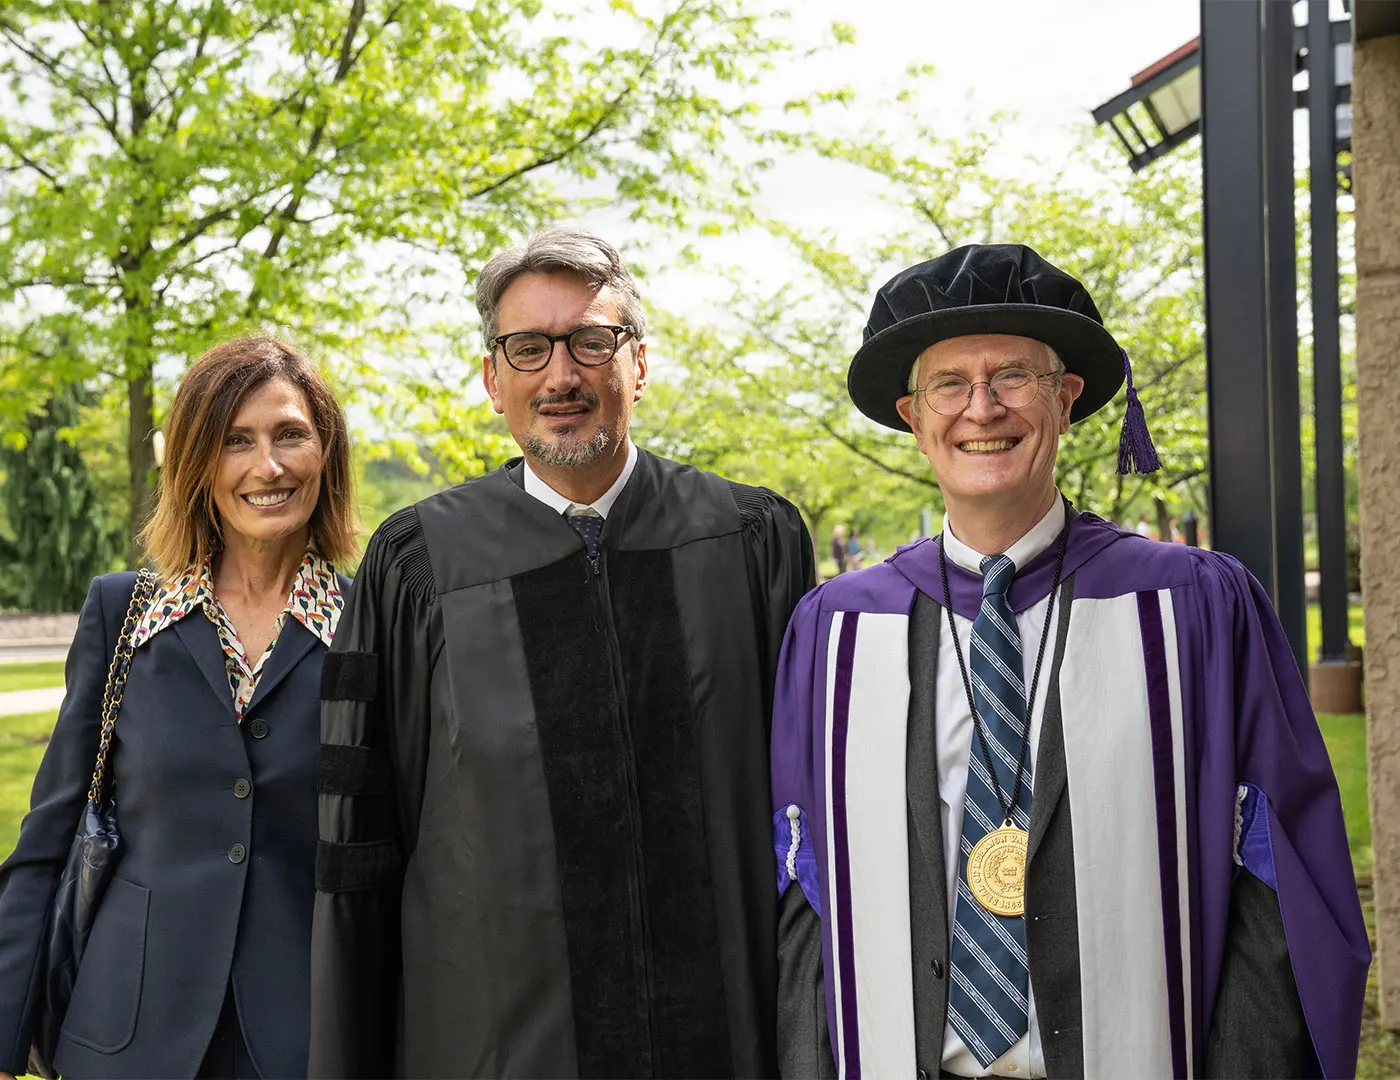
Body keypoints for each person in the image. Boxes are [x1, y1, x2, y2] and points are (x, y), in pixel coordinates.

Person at [770, 244, 1368, 1079]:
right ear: (913, 415)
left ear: (1067, 398)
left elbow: (1277, 878)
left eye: (1013, 375)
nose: (982, 408)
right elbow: (802, 896)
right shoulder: (837, 631)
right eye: (950, 383)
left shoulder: (1193, 607)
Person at [310, 226, 815, 1078]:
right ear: (492, 379)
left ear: (639, 365)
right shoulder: (419, 566)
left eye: (591, 341)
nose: (562, 374)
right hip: (494, 1047)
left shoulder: (749, 540)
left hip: (729, 1040)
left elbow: (812, 817)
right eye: (529, 348)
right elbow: (361, 843)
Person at [0, 336, 357, 1079]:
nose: (269, 466)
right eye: (236, 441)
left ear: (326, 453)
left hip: (310, 1040)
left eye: (291, 434)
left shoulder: (375, 629)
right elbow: (47, 838)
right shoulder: (123, 615)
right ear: (196, 463)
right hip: (125, 1039)